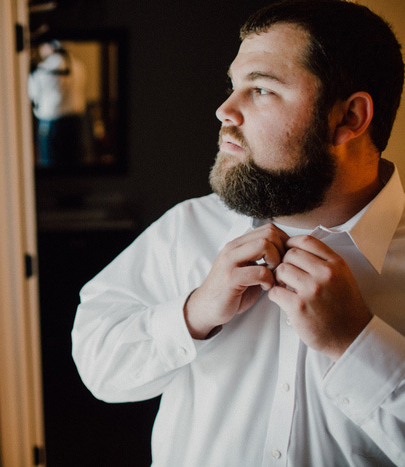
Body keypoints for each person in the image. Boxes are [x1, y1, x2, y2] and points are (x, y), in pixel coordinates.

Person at [71, 1, 405, 465]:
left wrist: (356, 344)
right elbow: (97, 364)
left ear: (350, 118)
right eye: (233, 86)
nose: (224, 110)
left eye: (262, 90)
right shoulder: (187, 229)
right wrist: (193, 312)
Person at [28, 40, 90, 167]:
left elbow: (31, 94)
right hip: (77, 123)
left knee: (51, 166)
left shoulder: (43, 68)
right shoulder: (79, 66)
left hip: (52, 125)